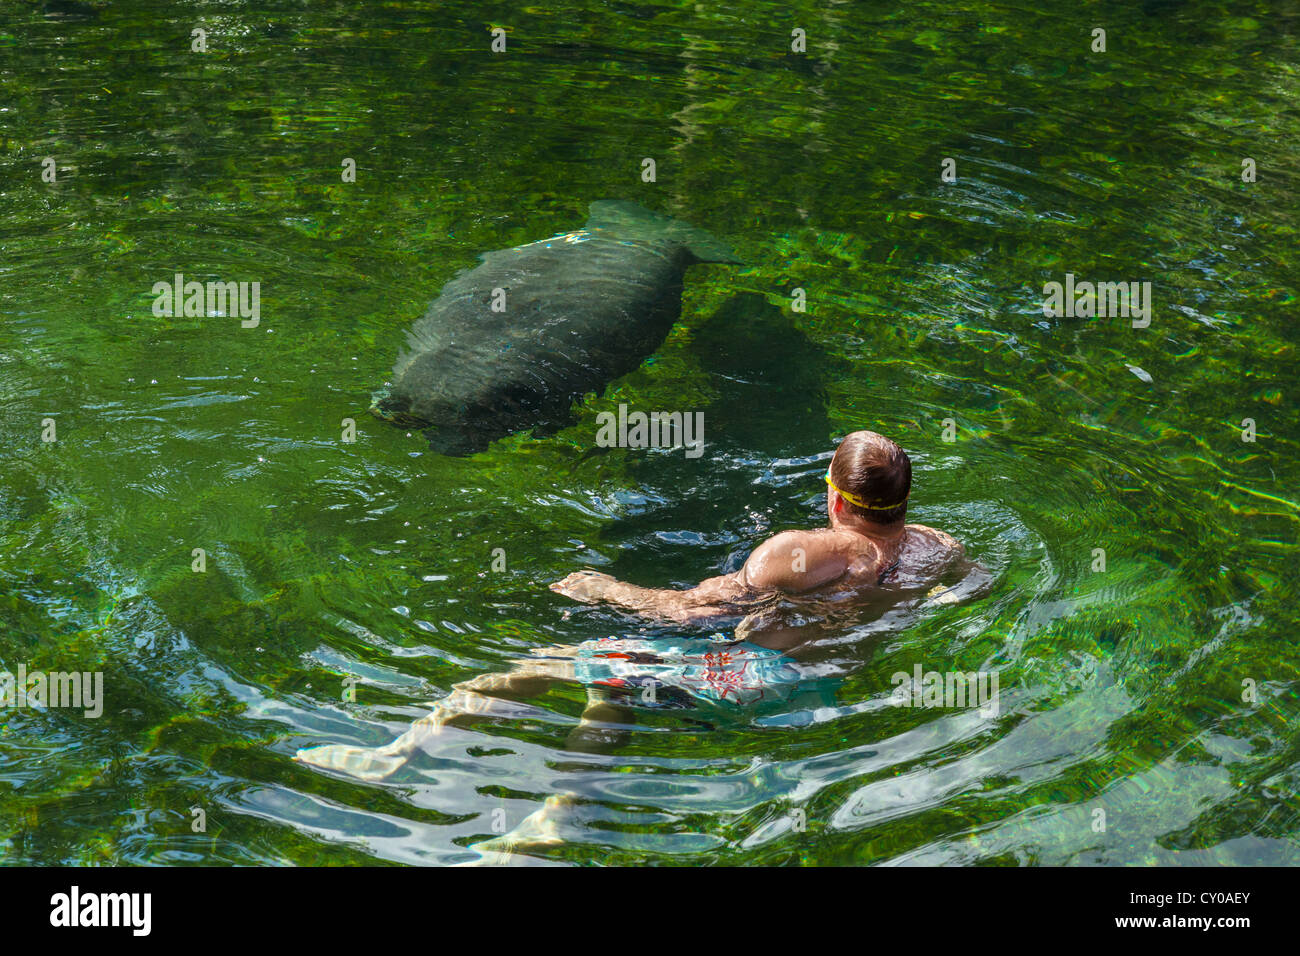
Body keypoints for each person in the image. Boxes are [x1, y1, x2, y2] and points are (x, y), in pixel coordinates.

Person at [295, 431, 982, 785]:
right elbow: (973, 585)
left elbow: (685, 613)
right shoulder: (939, 547)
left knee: (546, 664)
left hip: (737, 674)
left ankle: (399, 754)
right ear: (904, 500)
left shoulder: (801, 551)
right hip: (815, 688)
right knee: (614, 691)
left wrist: (603, 587)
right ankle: (561, 819)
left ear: (833, 496)